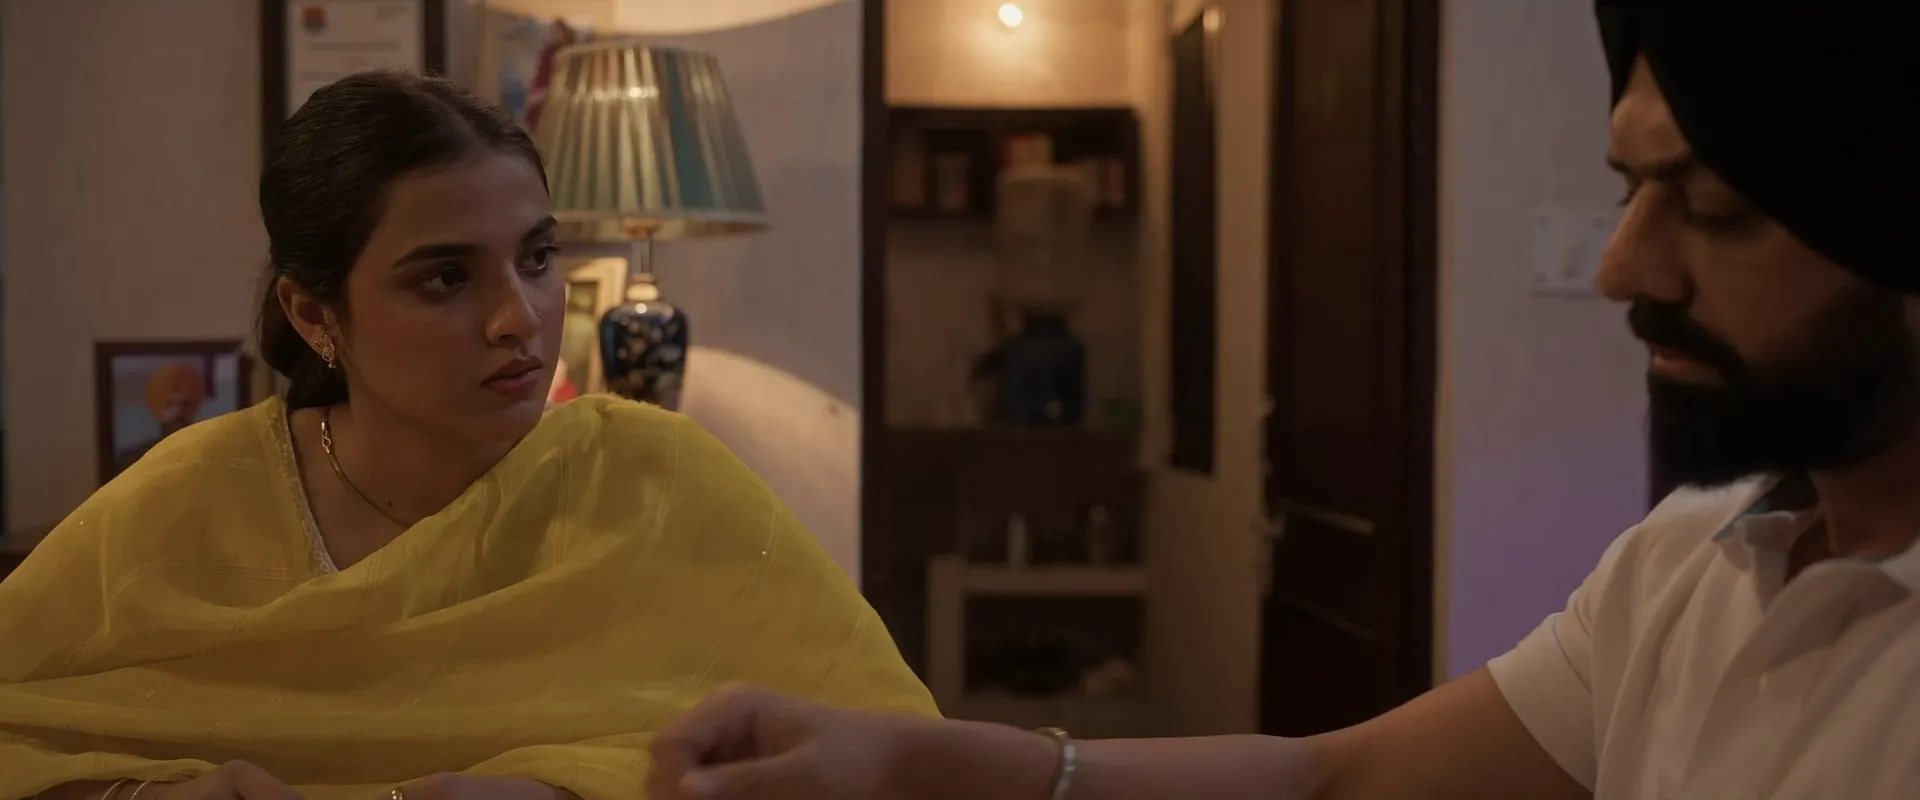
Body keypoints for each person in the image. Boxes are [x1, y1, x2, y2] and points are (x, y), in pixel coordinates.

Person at [645, 1, 1920, 798]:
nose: (1621, 267)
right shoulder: (1685, 566)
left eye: (1711, 207)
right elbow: (1330, 774)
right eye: (1630, 192)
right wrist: (908, 758)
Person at [0, 72, 934, 800]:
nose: (519, 318)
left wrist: (566, 791)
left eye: (537, 258)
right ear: (314, 313)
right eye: (445, 279)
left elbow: (892, 754)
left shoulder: (658, 482)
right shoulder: (192, 497)